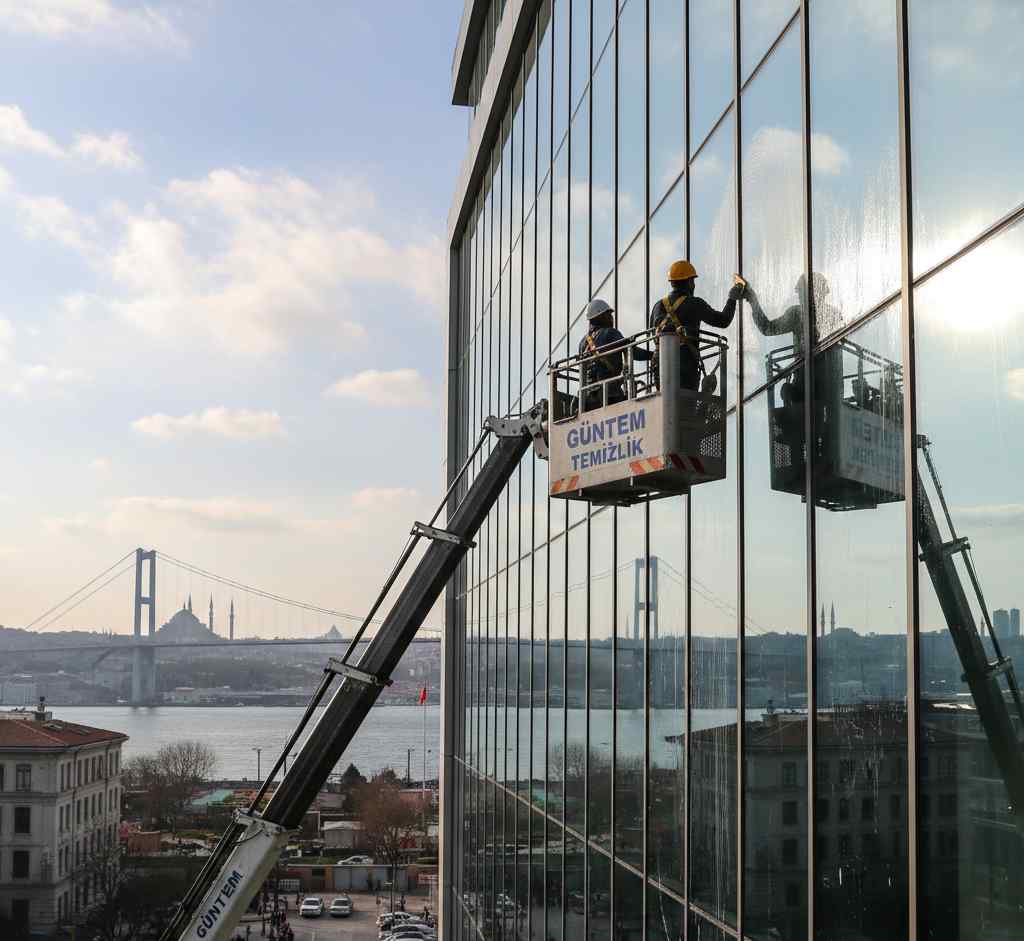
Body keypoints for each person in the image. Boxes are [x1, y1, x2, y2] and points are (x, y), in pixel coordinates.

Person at [649, 259, 743, 390]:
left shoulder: (657, 306)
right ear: (689, 282)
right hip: (685, 365)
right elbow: (723, 320)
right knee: (687, 405)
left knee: (666, 401)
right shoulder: (694, 303)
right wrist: (732, 298)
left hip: (659, 365)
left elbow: (653, 336)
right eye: (693, 281)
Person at [578, 298, 651, 411]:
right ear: (600, 316)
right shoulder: (610, 333)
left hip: (588, 398)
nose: (611, 318)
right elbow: (633, 352)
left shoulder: (583, 343)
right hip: (610, 394)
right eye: (608, 315)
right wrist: (654, 355)